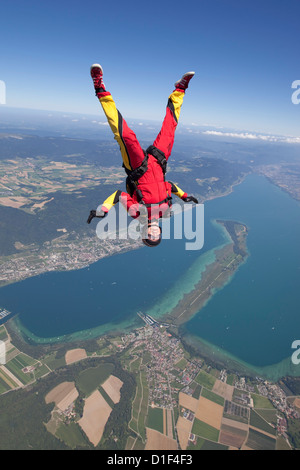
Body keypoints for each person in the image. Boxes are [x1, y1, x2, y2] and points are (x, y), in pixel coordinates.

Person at [87, 64, 198, 247]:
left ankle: (99, 88)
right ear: (160, 232)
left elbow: (118, 195)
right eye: (157, 235)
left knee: (124, 136)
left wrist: (103, 210)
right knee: (170, 129)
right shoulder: (166, 211)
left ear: (144, 233)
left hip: (138, 168)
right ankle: (180, 89)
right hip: (158, 164)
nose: (154, 232)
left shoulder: (137, 213)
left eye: (150, 236)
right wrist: (184, 196)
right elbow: (169, 186)